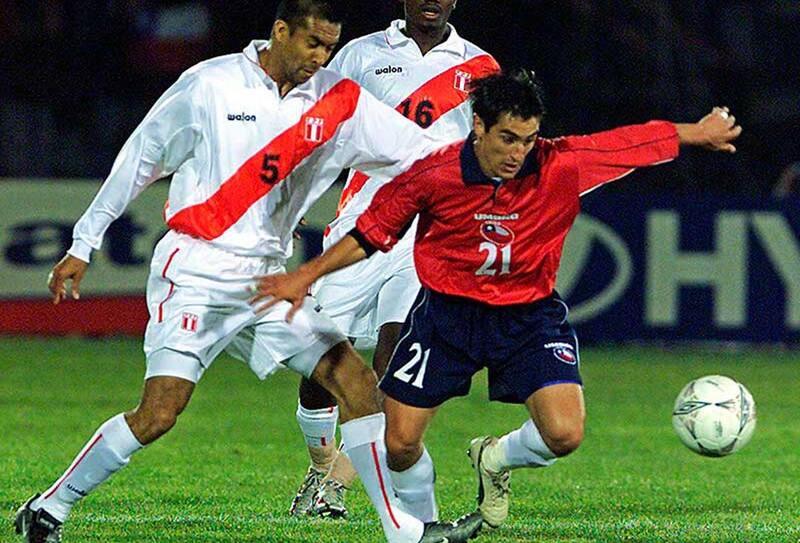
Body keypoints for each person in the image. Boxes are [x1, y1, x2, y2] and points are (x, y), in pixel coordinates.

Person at [14, 2, 483, 542]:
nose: (319, 58)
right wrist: (83, 241)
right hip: (196, 271)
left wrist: (493, 171)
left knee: (356, 383)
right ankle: (51, 505)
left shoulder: (339, 100)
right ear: (279, 30)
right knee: (159, 413)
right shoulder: (211, 84)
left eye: (329, 47)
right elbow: (140, 157)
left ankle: (402, 531)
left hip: (267, 281)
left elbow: (422, 152)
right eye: (311, 43)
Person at [251, 69, 743, 530]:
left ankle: (496, 457)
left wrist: (697, 132)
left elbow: (629, 142)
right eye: (508, 138)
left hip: (529, 318)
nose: (518, 153)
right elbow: (371, 233)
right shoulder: (434, 174)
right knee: (398, 444)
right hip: (447, 319)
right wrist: (307, 274)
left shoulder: (558, 164)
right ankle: (428, 531)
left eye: (528, 140)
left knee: (565, 435)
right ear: (479, 126)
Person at [288, 0, 499, 521]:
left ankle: (333, 487)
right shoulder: (359, 55)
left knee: (392, 364)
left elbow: (496, 151)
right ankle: (320, 463)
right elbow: (311, 127)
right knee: (320, 364)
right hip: (361, 225)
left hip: (430, 235)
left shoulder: (482, 67)